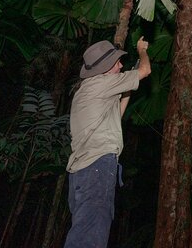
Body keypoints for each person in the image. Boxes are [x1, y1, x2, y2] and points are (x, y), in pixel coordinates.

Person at [64, 37, 151, 248]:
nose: (121, 65)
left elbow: (116, 116)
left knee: (84, 230)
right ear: (104, 68)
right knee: (89, 237)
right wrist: (142, 51)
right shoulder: (102, 84)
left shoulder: (87, 90)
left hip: (81, 174)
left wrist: (127, 88)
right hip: (97, 167)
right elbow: (146, 70)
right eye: (116, 62)